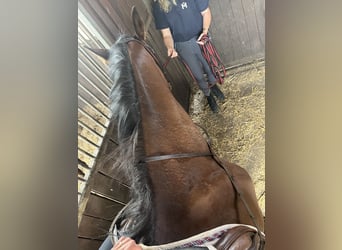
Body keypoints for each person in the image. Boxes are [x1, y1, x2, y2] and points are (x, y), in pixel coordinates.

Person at [152, 0, 225, 113]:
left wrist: (205, 31)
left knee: (209, 67)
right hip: (182, 45)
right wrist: (170, 47)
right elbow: (166, 34)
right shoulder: (159, 6)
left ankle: (214, 85)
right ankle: (208, 94)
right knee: (197, 75)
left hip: (200, 37)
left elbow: (205, 12)